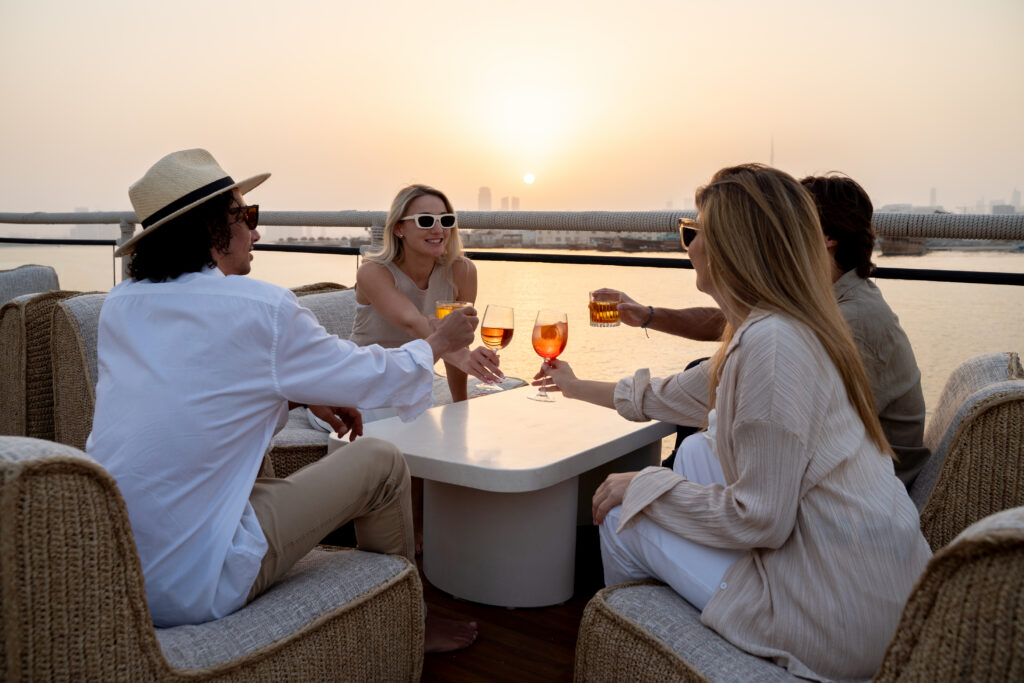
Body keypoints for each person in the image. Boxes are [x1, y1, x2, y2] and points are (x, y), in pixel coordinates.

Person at [536, 164, 931, 680]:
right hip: (877, 581)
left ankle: (642, 648)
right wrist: (574, 384)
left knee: (619, 513)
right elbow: (677, 396)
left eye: (692, 232)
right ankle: (695, 600)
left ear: (730, 245)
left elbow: (762, 518)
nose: (689, 246)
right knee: (700, 451)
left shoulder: (772, 345)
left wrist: (649, 483)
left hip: (836, 618)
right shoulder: (787, 325)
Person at [86, 149, 477, 651]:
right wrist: (439, 343)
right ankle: (408, 622)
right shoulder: (262, 308)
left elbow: (200, 393)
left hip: (116, 562)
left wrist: (299, 396)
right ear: (211, 229)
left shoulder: (120, 306)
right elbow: (369, 374)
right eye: (246, 216)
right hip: (195, 579)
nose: (257, 232)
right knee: (381, 459)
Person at [600, 173, 930, 487]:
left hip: (862, 492)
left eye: (787, 224)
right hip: (838, 472)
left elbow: (740, 378)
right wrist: (649, 316)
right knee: (710, 387)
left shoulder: (850, 320)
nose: (772, 235)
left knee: (715, 397)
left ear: (827, 238)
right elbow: (732, 326)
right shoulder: (827, 299)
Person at [350, 184, 503, 403]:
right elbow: (413, 322)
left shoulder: (462, 271)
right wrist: (464, 358)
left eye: (445, 220)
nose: (438, 230)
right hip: (360, 388)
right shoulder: (372, 272)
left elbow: (457, 340)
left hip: (413, 393)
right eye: (425, 221)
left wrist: (460, 404)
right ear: (398, 228)